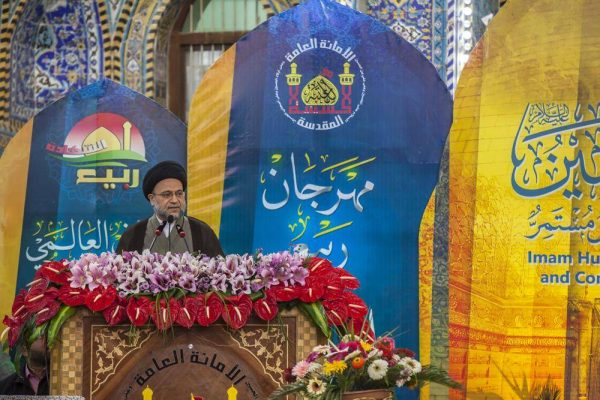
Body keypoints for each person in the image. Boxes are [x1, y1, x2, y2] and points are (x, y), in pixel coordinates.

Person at [116, 160, 224, 256]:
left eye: (179, 193)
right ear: (152, 199)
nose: (175, 200)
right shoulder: (134, 234)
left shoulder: (201, 231)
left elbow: (219, 269)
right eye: (167, 194)